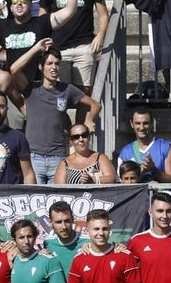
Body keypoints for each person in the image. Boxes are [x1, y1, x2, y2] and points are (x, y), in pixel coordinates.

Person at [11, 46, 102, 183]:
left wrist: (89, 120)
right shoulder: (31, 89)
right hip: (34, 156)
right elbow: (14, 69)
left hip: (58, 156)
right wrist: (36, 49)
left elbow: (95, 105)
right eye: (49, 63)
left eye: (57, 64)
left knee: (57, 200)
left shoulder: (67, 89)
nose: (54, 67)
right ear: (41, 67)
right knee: (36, 200)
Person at [39, 0, 109, 93]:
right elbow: (42, 16)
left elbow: (103, 15)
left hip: (84, 46)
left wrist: (101, 36)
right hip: (58, 48)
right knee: (59, 92)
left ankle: (84, 118)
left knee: (85, 92)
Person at [0, 0, 78, 78]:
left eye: (24, 1)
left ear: (31, 5)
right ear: (11, 7)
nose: (19, 4)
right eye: (15, 1)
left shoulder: (42, 22)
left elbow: (70, 10)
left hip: (38, 85)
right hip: (14, 85)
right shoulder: (3, 26)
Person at [116, 107, 171, 183]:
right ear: (131, 124)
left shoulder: (164, 146)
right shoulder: (125, 152)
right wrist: (140, 173)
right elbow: (120, 182)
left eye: (145, 123)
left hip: (158, 194)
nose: (141, 127)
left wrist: (154, 170)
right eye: (138, 123)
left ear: (152, 123)